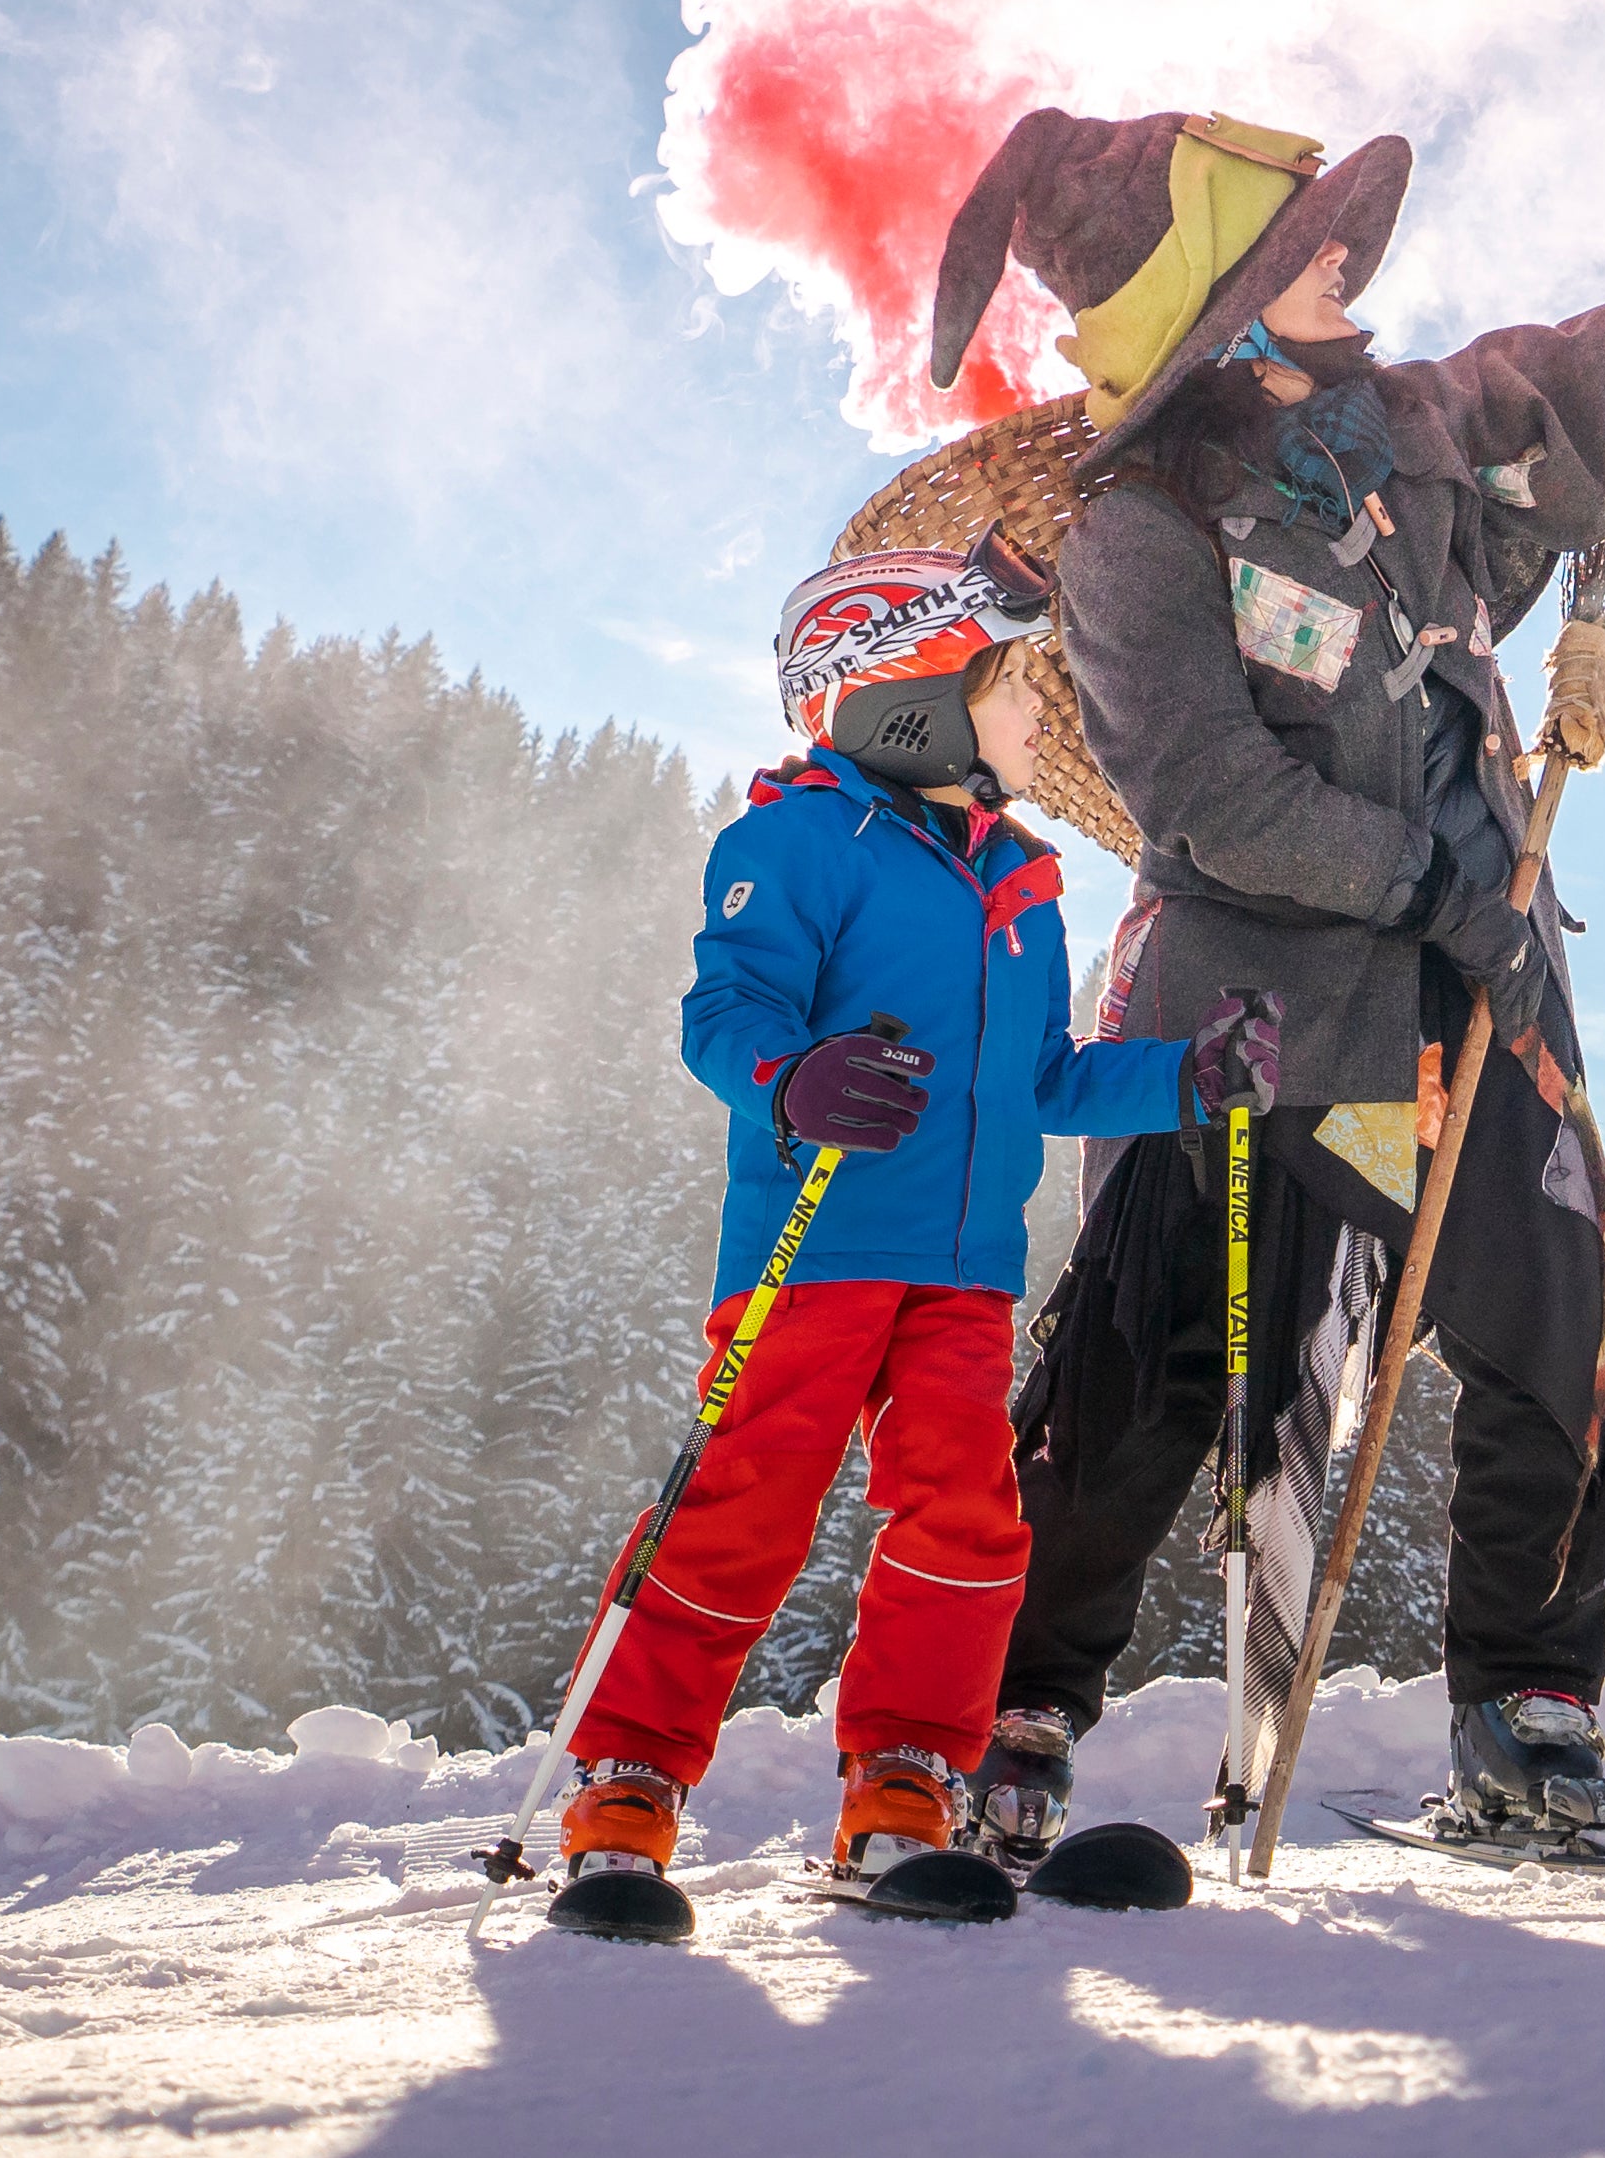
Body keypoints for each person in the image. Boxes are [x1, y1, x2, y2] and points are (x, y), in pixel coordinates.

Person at [923, 102, 1605, 1855]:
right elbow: (1205, 792)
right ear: (1229, 307)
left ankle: (1524, 1706)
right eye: (1302, 245)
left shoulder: (1421, 426)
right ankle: (1016, 1707)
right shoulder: (1136, 530)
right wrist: (1429, 880)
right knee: (1168, 1367)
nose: (1352, 252)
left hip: (1483, 1001)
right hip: (1253, 1012)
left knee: (1571, 1319)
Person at [542, 544, 1284, 1930]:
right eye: (1010, 689)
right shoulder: (797, 839)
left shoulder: (1021, 883)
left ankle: (904, 1777)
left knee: (968, 1517)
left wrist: (1188, 1072)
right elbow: (726, 1011)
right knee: (740, 1506)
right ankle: (626, 1779)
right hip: (814, 1246)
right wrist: (795, 1077)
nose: (1033, 718)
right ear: (909, 698)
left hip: (964, 1273)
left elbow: (1049, 1077)